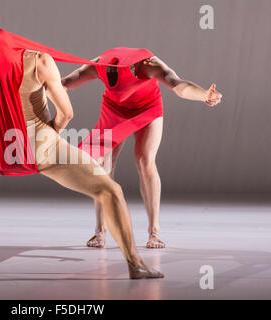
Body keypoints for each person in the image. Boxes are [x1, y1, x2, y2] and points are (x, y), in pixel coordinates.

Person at [0, 30, 163, 279]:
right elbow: (67, 113)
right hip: (42, 148)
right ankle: (135, 265)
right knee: (110, 190)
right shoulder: (39, 61)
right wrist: (48, 136)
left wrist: (4, 132)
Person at [62, 47, 222, 249]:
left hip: (147, 110)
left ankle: (154, 231)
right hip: (114, 110)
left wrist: (202, 95)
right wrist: (33, 87)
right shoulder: (99, 65)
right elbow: (65, 83)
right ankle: (99, 231)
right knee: (101, 165)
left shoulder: (148, 66)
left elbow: (177, 84)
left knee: (144, 161)